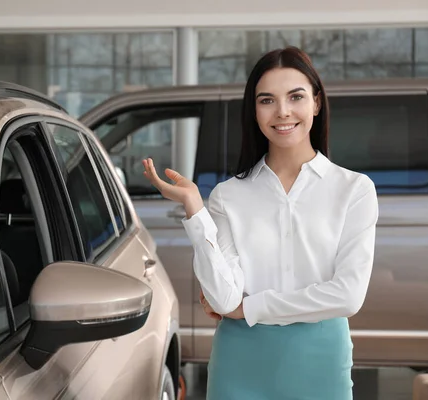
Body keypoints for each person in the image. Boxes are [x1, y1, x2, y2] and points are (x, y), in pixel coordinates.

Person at [142, 46, 379, 400]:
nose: (282, 112)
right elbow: (223, 298)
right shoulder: (227, 195)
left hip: (320, 363)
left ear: (316, 103)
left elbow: (348, 295)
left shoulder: (354, 190)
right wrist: (195, 209)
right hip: (240, 363)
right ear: (254, 111)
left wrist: (249, 307)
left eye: (295, 97)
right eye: (267, 100)